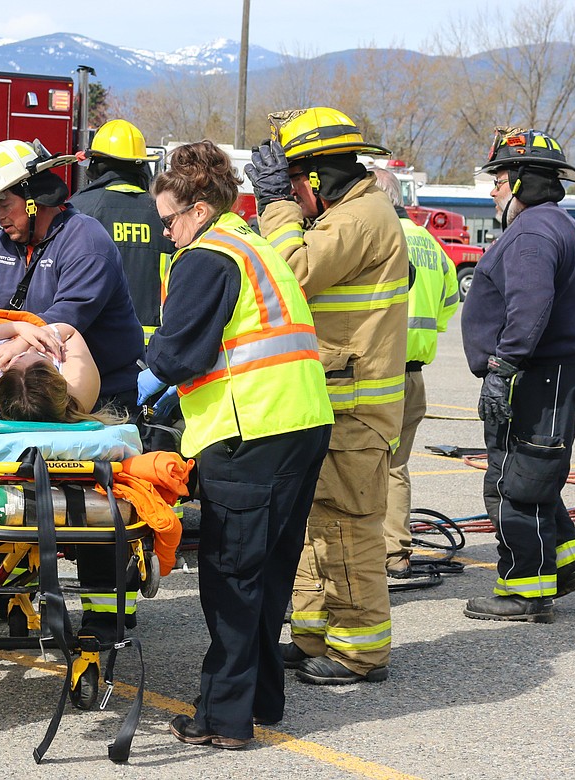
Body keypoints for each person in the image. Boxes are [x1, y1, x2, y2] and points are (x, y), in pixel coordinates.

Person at [139, 141, 332, 749]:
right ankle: (261, 700)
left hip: (250, 432)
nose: (167, 234)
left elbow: (176, 355)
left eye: (169, 220)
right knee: (270, 574)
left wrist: (136, 377)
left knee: (230, 579)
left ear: (197, 210)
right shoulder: (253, 244)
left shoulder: (207, 256)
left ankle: (222, 719)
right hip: (300, 423)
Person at [0, 138, 145, 638]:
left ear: (33, 197)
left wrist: (7, 338)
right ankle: (1, 586)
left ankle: (107, 611)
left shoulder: (84, 241)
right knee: (8, 489)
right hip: (26, 395)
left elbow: (61, 328)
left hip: (97, 391)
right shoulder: (0, 246)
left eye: (2, 204)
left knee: (94, 503)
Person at [248, 107, 409, 685]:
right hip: (334, 401)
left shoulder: (362, 217)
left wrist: (275, 206)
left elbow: (291, 270)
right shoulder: (346, 214)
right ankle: (318, 634)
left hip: (356, 410)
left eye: (294, 181)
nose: (291, 192)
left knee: (346, 528)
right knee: (319, 525)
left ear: (314, 179)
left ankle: (359, 651)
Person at [461, 127, 575, 623]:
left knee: (515, 481)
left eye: (498, 179)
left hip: (541, 374)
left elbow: (530, 308)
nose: (493, 190)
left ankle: (524, 591)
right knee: (537, 473)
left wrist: (501, 368)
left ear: (520, 181)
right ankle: (563, 567)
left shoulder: (534, 232)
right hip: (555, 373)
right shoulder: (553, 223)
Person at [370, 168, 459, 578]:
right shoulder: (431, 244)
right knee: (396, 467)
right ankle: (395, 553)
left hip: (376, 373)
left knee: (354, 467)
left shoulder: (379, 237)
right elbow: (449, 303)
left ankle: (364, 555)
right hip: (413, 375)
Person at [69, 120, 174, 333]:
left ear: (95, 164)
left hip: (92, 345)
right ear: (142, 165)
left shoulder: (77, 209)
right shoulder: (165, 212)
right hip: (155, 344)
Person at [0, 317, 101, 420]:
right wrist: (26, 339)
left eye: (18, 357)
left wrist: (16, 330)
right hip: (36, 322)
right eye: (41, 356)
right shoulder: (79, 396)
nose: (30, 349)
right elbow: (69, 331)